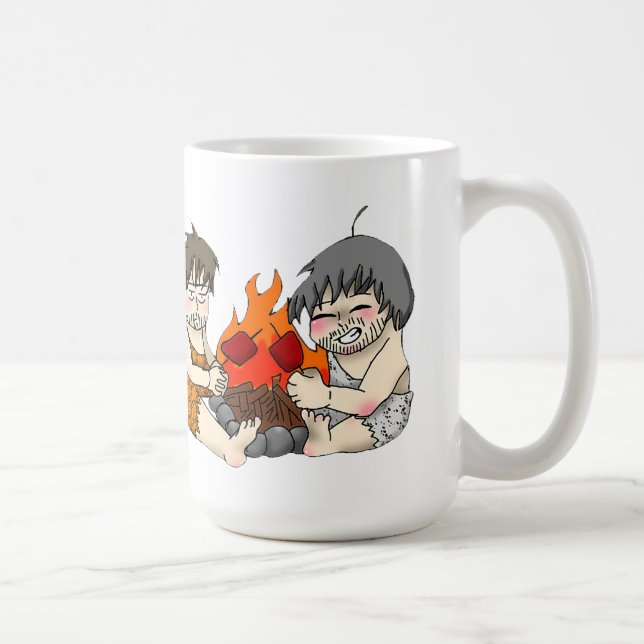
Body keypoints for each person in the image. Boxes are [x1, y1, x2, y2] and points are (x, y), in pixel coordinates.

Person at [286, 206, 415, 456]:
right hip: (335, 406)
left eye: (358, 308)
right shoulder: (331, 345)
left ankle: (330, 441)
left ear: (392, 306)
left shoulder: (389, 350)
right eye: (324, 316)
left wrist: (324, 395)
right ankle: (320, 432)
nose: (341, 322)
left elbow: (368, 402)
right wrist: (307, 382)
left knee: (360, 428)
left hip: (380, 413)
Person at [185, 225, 260, 467]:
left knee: (225, 397)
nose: (197, 304)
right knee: (197, 410)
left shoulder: (200, 328)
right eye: (191, 295)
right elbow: (191, 369)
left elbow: (207, 353)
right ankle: (228, 448)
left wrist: (216, 370)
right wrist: (208, 378)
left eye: (202, 296)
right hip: (195, 390)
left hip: (207, 388)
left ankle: (233, 437)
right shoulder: (185, 330)